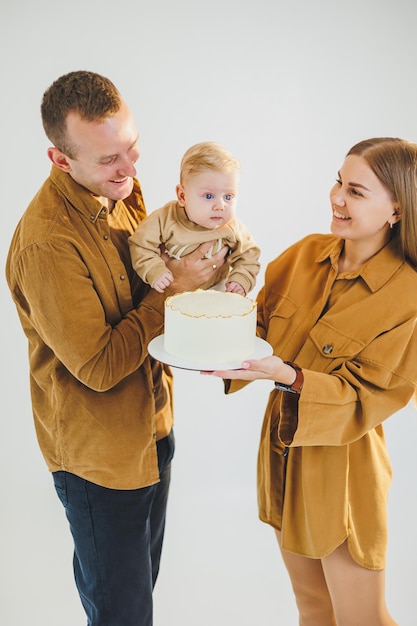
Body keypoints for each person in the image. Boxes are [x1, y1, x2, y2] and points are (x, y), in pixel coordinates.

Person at [5, 70, 228, 626]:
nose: (129, 168)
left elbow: (151, 286)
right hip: (100, 464)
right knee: (122, 615)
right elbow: (101, 367)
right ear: (61, 160)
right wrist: (176, 286)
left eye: (131, 147)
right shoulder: (47, 244)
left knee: (136, 599)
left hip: (152, 431)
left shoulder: (123, 190)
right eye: (109, 159)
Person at [205, 137, 417, 625]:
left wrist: (291, 376)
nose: (337, 198)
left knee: (361, 617)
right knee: (313, 608)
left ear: (397, 209)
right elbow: (257, 328)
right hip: (281, 451)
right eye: (338, 182)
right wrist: (211, 330)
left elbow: (370, 395)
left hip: (344, 469)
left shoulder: (407, 295)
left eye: (357, 192)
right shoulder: (305, 255)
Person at [128, 141, 261, 295]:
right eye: (209, 196)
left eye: (228, 196)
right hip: (171, 294)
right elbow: (140, 245)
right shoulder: (165, 218)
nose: (220, 205)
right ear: (182, 196)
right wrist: (154, 270)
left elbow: (249, 254)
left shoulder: (232, 227)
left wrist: (241, 279)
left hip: (216, 290)